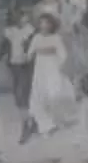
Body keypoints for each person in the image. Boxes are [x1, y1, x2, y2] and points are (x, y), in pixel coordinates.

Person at [27, 10, 80, 142]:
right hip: (40, 70)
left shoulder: (56, 38)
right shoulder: (36, 38)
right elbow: (30, 53)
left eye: (47, 23)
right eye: (41, 23)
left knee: (54, 94)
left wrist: (60, 65)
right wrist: (27, 56)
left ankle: (59, 119)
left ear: (52, 25)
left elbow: (63, 54)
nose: (44, 26)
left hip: (53, 68)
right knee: (41, 96)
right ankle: (45, 125)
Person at [2, 10, 42, 139]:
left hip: (27, 66)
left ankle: (28, 125)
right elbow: (4, 46)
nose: (21, 19)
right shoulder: (9, 32)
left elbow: (36, 47)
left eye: (23, 16)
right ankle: (30, 122)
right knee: (19, 96)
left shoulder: (31, 31)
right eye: (18, 16)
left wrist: (30, 53)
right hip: (15, 66)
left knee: (25, 94)